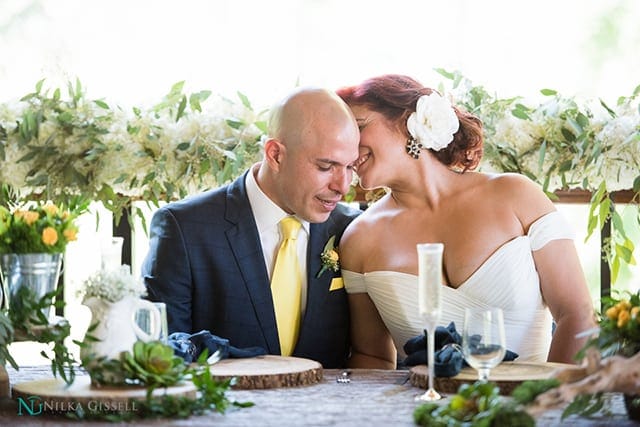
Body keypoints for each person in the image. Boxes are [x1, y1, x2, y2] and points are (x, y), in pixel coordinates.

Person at [336, 74, 596, 369]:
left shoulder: (516, 195)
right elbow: (373, 357)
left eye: (358, 127)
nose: (348, 147)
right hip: (421, 409)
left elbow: (577, 315)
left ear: (408, 119)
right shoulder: (358, 240)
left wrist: (548, 402)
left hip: (529, 407)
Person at [141, 87, 361, 368]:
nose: (342, 186)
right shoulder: (183, 229)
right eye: (326, 166)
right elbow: (160, 355)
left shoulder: (351, 230)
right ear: (275, 155)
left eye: (350, 167)